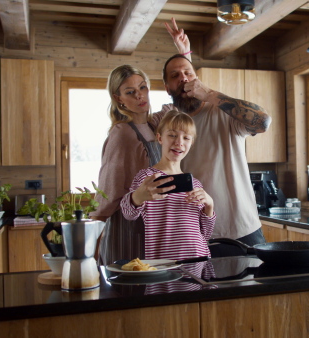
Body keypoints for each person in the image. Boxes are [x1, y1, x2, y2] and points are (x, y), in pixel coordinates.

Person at [91, 19, 192, 265]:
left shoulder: (154, 124)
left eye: (143, 87)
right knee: (131, 293)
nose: (139, 95)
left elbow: (181, 98)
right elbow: (110, 189)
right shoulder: (122, 133)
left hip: (153, 223)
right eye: (130, 91)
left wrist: (185, 54)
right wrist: (95, 235)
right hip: (128, 225)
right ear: (118, 99)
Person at [160, 43, 272, 256]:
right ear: (167, 87)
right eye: (175, 75)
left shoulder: (223, 112)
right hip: (193, 236)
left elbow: (263, 122)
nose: (183, 78)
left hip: (243, 232)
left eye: (188, 73)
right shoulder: (168, 122)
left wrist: (210, 94)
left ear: (196, 79)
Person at [120, 110, 215, 260]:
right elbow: (128, 214)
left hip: (199, 261)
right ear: (159, 138)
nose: (179, 142)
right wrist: (137, 197)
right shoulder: (147, 178)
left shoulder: (195, 184)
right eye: (172, 135)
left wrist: (210, 206)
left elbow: (205, 234)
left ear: (192, 143)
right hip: (163, 265)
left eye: (186, 138)